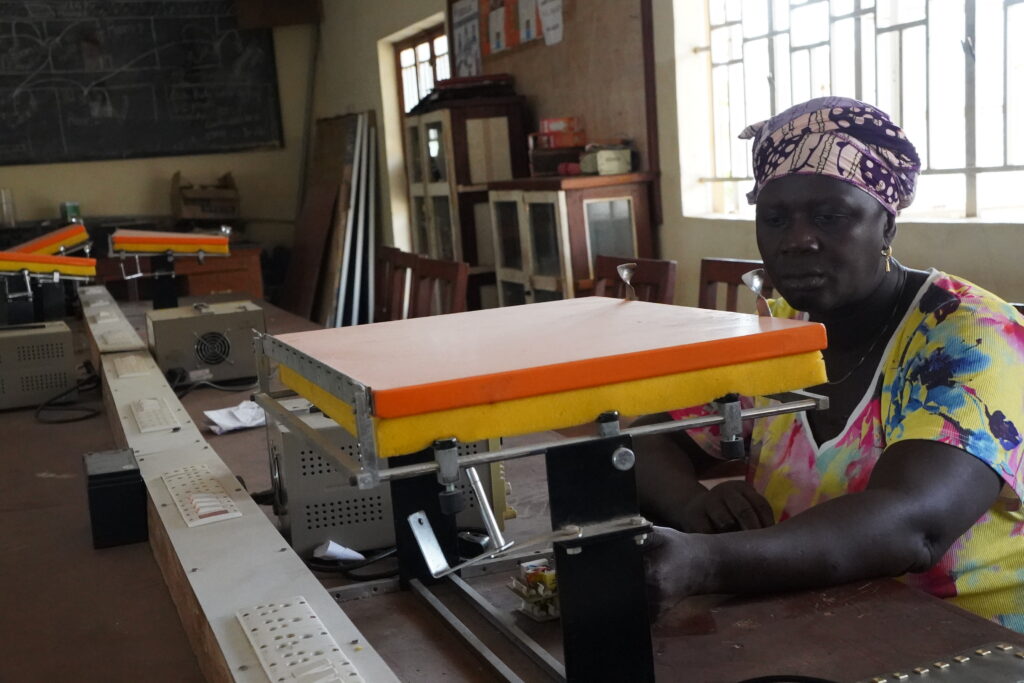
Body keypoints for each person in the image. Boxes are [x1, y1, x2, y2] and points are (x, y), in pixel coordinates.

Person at [638, 96, 1024, 632]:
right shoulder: (779, 330)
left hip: (963, 645)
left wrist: (705, 561)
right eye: (775, 219)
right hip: (801, 621)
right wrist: (691, 509)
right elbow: (648, 439)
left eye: (830, 216)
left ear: (887, 227)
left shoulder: (968, 337)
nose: (797, 240)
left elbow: (912, 525)